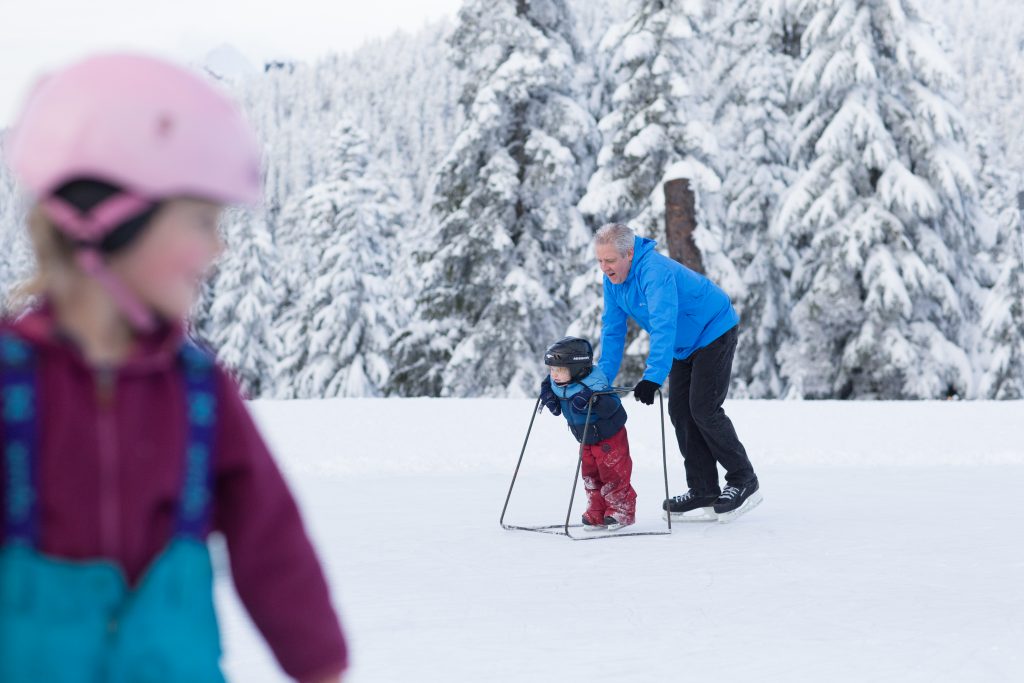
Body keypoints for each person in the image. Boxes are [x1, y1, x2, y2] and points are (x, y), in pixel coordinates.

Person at [0, 53, 347, 682]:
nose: (218, 247)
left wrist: (320, 664)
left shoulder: (197, 391)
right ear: (106, 221)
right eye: (200, 220)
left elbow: (271, 538)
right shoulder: (11, 379)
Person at [594, 222, 762, 523]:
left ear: (629, 254)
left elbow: (663, 323)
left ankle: (743, 479)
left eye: (610, 260)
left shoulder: (653, 272)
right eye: (600, 260)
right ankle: (703, 490)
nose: (604, 267)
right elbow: (613, 331)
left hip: (713, 329)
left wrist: (653, 377)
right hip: (683, 344)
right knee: (680, 412)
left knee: (704, 408)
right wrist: (601, 381)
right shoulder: (613, 283)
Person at [539, 336, 637, 531]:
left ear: (576, 369)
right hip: (585, 438)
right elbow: (547, 383)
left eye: (560, 370)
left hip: (609, 438)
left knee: (613, 472)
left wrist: (593, 400)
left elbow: (613, 407)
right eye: (552, 369)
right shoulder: (559, 382)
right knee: (590, 475)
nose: (554, 375)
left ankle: (621, 510)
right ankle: (597, 512)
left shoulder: (594, 384)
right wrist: (547, 394)